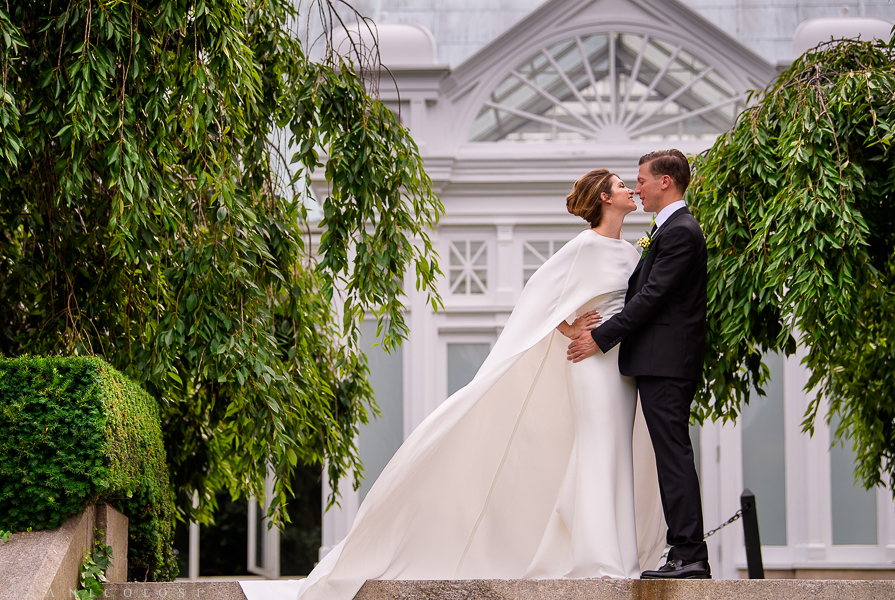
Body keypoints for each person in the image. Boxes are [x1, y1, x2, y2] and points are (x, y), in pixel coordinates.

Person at [241, 169, 666, 600]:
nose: (631, 190)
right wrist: (571, 327)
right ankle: (600, 559)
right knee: (598, 449)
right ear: (603, 198)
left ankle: (617, 554)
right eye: (621, 185)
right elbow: (537, 297)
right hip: (590, 366)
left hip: (621, 368)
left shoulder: (632, 253)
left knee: (619, 452)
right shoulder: (583, 247)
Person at [567, 150, 711, 579]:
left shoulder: (681, 231)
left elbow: (651, 299)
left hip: (667, 365)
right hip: (657, 364)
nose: (637, 188)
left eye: (642, 180)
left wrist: (600, 335)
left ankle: (688, 555)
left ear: (665, 182)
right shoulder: (665, 231)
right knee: (671, 455)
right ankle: (684, 553)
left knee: (673, 457)